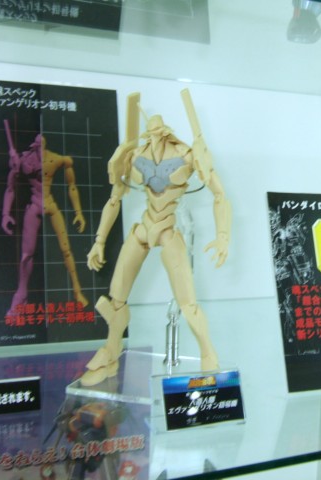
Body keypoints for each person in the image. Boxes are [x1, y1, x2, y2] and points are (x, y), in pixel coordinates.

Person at [82, 92, 230, 386]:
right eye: (150, 131)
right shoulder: (135, 156)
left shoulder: (186, 155)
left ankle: (209, 360)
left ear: (166, 131)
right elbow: (114, 199)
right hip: (143, 227)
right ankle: (111, 355)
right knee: (116, 299)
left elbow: (219, 194)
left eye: (158, 130)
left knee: (187, 303)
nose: (154, 134)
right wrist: (99, 240)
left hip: (168, 229)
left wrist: (223, 236)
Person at [2, 131, 88, 316]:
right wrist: (5, 214)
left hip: (50, 205)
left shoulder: (56, 159)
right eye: (37, 147)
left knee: (66, 249)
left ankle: (77, 291)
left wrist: (79, 213)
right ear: (34, 147)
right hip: (34, 206)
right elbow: (10, 188)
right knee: (26, 255)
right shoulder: (24, 160)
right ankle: (21, 295)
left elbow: (72, 186)